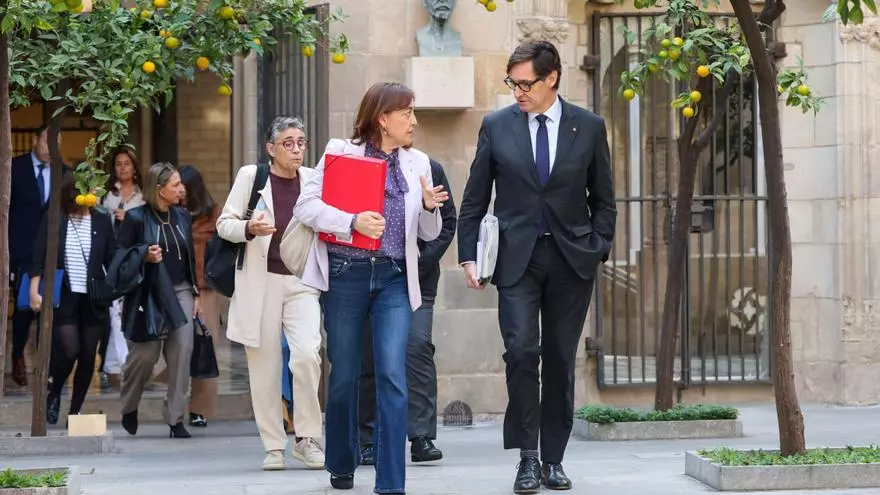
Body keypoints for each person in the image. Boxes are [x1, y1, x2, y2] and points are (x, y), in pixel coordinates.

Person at [457, 41, 616, 494]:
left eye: (526, 84)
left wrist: (598, 247)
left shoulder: (588, 127)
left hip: (571, 261)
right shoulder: (496, 126)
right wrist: (469, 255)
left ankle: (554, 459)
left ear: (552, 79)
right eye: (513, 83)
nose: (518, 92)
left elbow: (604, 199)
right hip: (516, 261)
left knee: (561, 360)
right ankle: (527, 457)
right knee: (523, 352)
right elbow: (474, 199)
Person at [294, 82, 448, 494]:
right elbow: (305, 207)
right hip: (346, 274)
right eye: (406, 113)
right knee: (344, 375)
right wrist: (351, 222)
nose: (414, 121)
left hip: (395, 278)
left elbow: (428, 233)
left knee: (393, 376)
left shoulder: (419, 162)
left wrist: (429, 207)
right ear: (382, 118)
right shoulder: (341, 152)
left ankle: (391, 482)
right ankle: (341, 460)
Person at [217, 116, 325, 471]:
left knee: (307, 355)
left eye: (301, 143)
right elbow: (224, 224)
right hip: (260, 282)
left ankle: (307, 438)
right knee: (264, 367)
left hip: (301, 282)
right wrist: (249, 227)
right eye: (288, 143)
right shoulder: (252, 177)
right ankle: (274, 445)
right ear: (270, 149)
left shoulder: (312, 179)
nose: (296, 150)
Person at [358, 157, 457, 465]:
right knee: (369, 353)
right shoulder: (360, 163)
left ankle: (421, 436)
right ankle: (367, 439)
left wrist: (419, 262)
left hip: (418, 278)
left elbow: (448, 222)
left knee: (417, 347)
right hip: (369, 275)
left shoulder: (428, 167)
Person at [114, 162, 200, 439]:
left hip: (181, 291)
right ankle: (129, 406)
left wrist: (195, 291)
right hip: (147, 293)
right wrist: (144, 256)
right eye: (176, 185)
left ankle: (175, 418)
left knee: (182, 351)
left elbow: (189, 257)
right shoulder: (136, 218)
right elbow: (120, 258)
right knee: (145, 355)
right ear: (160, 189)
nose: (181, 189)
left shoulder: (183, 216)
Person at [29, 173, 116, 424]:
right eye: (90, 188)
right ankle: (55, 391)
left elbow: (112, 258)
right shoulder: (55, 217)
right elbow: (39, 254)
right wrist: (34, 289)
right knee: (69, 350)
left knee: (88, 356)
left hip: (93, 298)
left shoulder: (101, 219)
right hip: (64, 294)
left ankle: (74, 412)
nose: (95, 193)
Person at [9, 125, 64, 387]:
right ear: (35, 140)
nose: (50, 148)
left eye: (56, 144)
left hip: (52, 251)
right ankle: (17, 355)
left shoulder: (65, 172)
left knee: (49, 308)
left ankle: (46, 364)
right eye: (46, 142)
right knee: (23, 308)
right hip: (21, 249)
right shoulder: (14, 167)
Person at [177, 164, 222, 428]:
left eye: (183, 187)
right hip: (176, 285)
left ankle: (199, 409)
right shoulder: (168, 212)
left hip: (205, 287)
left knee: (206, 344)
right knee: (178, 345)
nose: (179, 191)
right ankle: (175, 405)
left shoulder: (213, 214)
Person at [99, 147, 145, 389]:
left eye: (127, 163)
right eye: (118, 164)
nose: (123, 168)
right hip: (111, 257)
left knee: (128, 311)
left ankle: (115, 365)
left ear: (134, 167)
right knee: (114, 311)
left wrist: (129, 219)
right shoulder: (107, 194)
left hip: (134, 257)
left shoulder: (142, 195)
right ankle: (117, 365)